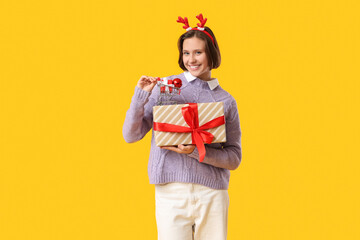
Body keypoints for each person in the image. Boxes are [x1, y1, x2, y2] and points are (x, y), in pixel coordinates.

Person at [123, 14, 242, 240]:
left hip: (212, 193)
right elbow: (130, 135)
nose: (192, 59)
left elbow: (234, 157)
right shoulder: (165, 88)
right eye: (186, 53)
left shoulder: (226, 101)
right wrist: (140, 97)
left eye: (198, 52)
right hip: (170, 191)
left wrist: (196, 151)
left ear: (211, 54)